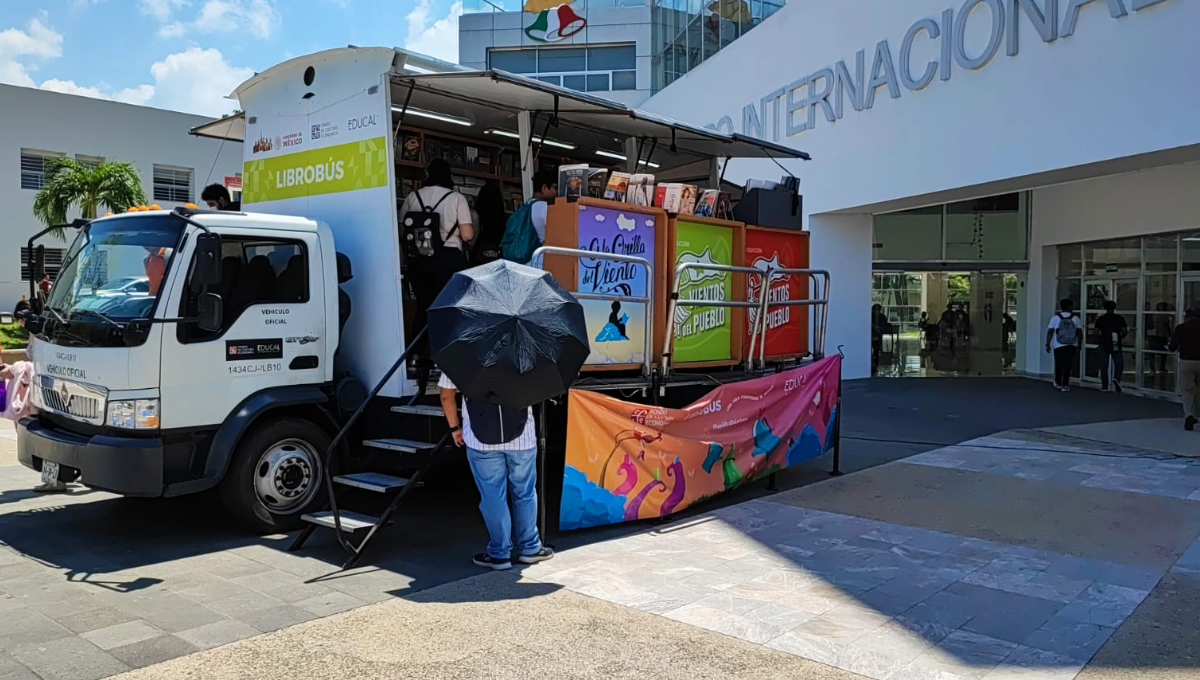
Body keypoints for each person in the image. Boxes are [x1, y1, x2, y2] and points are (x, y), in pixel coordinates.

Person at [438, 370, 554, 570]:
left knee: (492, 496)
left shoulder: (459, 356)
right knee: (524, 493)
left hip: (480, 440)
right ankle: (531, 548)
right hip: (522, 438)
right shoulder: (523, 353)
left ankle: (500, 554)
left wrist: (455, 429)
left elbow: (446, 395)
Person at [401, 159, 475, 383]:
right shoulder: (456, 198)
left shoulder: (413, 197)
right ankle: (437, 361)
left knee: (423, 306)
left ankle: (414, 357)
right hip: (448, 259)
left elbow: (401, 226)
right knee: (444, 309)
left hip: (419, 260)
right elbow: (468, 234)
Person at [1169, 307, 1200, 431]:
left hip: (1187, 361)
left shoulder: (1181, 328)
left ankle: (1189, 415)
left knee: (1187, 390)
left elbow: (1173, 347)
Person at [1046, 298, 1082, 392]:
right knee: (1068, 365)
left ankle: (1058, 382)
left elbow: (1050, 331)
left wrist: (1047, 343)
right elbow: (1079, 332)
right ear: (1070, 306)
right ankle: (1065, 384)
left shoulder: (1055, 318)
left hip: (1058, 345)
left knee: (1059, 364)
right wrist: (1079, 344)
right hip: (1071, 344)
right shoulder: (1075, 318)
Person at [470, 183, 509, 266]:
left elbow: (471, 240)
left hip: (478, 257)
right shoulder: (503, 219)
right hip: (497, 258)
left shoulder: (476, 215)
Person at [1095, 300, 1128, 393]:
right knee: (1119, 364)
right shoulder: (1119, 319)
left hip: (1104, 342)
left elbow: (1096, 332)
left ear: (1105, 308)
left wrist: (1098, 339)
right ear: (1114, 308)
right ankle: (1117, 378)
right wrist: (1119, 337)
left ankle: (1104, 385)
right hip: (1115, 342)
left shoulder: (1101, 319)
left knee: (1103, 365)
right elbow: (1125, 331)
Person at [529, 169, 557, 245]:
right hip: (541, 255)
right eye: (555, 188)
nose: (557, 193)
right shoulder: (546, 209)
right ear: (545, 188)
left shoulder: (527, 205)